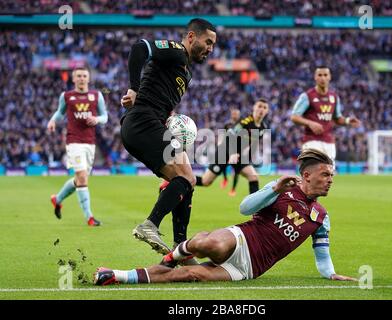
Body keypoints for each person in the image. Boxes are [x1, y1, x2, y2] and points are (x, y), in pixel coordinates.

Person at [94, 149, 357, 285]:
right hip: (242, 238)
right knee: (209, 244)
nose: (330, 180)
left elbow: (322, 257)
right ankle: (174, 254)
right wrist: (275, 188)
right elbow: (245, 207)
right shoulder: (283, 187)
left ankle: (115, 275)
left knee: (190, 276)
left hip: (249, 268)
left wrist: (332, 274)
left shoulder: (321, 218)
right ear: (308, 175)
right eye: (326, 175)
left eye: (332, 176)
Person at [120, 19, 217, 256]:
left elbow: (162, 98)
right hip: (142, 121)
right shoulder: (175, 51)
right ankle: (149, 225)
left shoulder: (187, 72)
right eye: (208, 42)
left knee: (187, 180)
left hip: (150, 123)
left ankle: (179, 248)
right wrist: (133, 88)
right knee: (185, 176)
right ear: (192, 37)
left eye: (213, 45)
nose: (210, 49)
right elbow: (140, 47)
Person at [47, 67, 108, 226]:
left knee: (79, 180)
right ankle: (89, 217)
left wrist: (97, 120)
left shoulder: (97, 95)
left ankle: (57, 199)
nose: (81, 78)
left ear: (88, 79)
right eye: (78, 76)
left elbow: (105, 116)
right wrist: (53, 120)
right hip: (74, 141)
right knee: (82, 177)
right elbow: (60, 113)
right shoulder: (66, 96)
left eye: (84, 76)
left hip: (90, 142)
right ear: (73, 79)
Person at [195, 98, 269, 195]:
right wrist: (233, 153)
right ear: (254, 108)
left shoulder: (263, 128)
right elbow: (230, 136)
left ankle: (255, 208)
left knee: (253, 176)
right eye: (259, 106)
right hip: (225, 151)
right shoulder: (245, 122)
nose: (261, 109)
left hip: (238, 156)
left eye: (264, 107)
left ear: (267, 111)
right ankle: (182, 179)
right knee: (206, 181)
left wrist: (246, 155)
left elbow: (251, 144)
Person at [290, 66, 361, 162]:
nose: (322, 78)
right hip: (311, 141)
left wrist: (348, 120)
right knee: (313, 174)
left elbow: (337, 118)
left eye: (325, 75)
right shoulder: (307, 96)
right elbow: (294, 117)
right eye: (320, 75)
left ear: (329, 77)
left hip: (329, 142)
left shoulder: (334, 97)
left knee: (328, 175)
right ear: (315, 77)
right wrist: (310, 123)